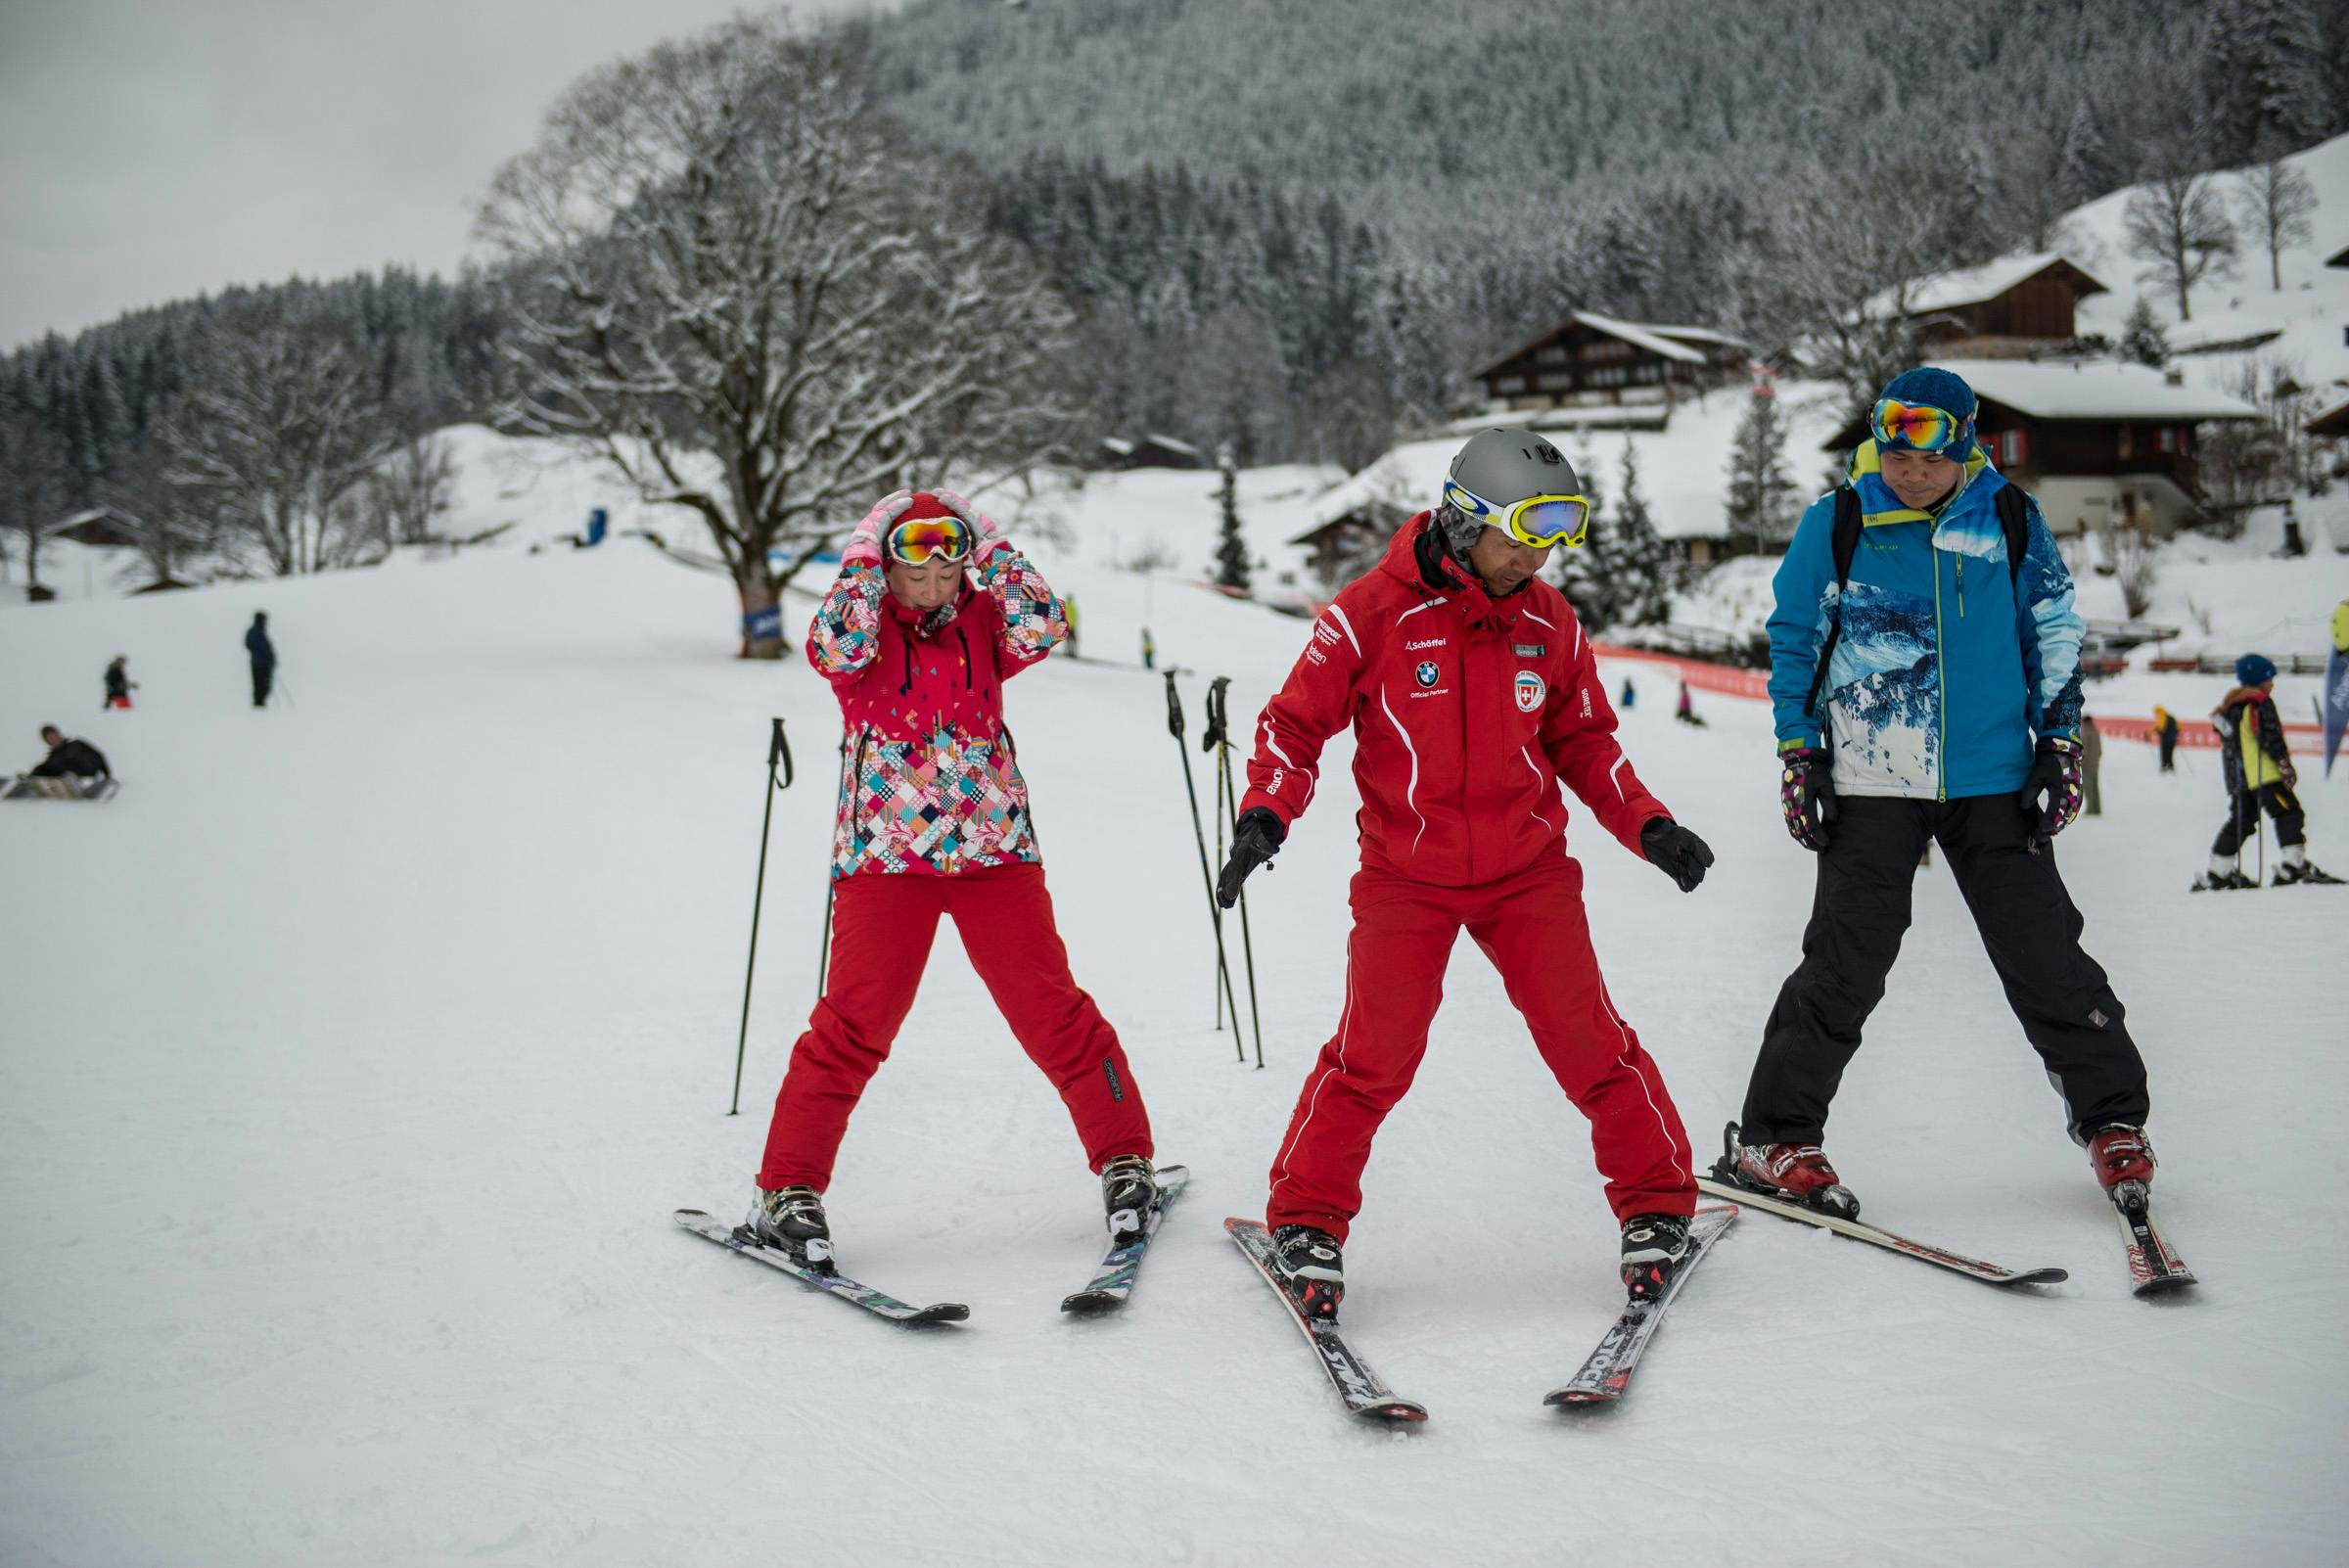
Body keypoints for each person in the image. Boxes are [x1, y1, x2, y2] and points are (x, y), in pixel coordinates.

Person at [1215, 426, 1717, 1314]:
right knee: (1373, 1058)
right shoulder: (1369, 613)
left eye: (1553, 537)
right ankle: (1307, 1220)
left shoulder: (1548, 623)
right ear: (1462, 519)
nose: (1536, 557)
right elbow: (1293, 727)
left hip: (1528, 873)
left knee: (1589, 1044)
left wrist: (1650, 825)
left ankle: (1656, 1203)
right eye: (1520, 535)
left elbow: (1585, 742)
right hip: (1407, 876)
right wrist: (1266, 811)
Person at [1724, 367, 2159, 1220]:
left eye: (1927, 456)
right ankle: (1776, 1136)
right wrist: (1800, 755)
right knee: (1844, 964)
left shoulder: (2009, 519)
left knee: (2047, 957)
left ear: (1964, 445)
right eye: (1894, 451)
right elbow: (1795, 639)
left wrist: (2060, 746)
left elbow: (2054, 635)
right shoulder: (1841, 520)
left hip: (1993, 777)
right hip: (1872, 779)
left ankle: (2113, 1121)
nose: (1909, 470)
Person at [745, 491, 1161, 1268]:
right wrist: (863, 564)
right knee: (854, 1027)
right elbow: (829, 647)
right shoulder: (864, 640)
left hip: (994, 853)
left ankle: (1126, 1162)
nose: (933, 586)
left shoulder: (986, 626)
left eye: (949, 567)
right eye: (913, 570)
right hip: (885, 860)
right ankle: (787, 1191)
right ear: (886, 570)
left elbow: (1045, 624)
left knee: (1052, 1013)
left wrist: (995, 545)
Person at [2194, 653, 2338, 889]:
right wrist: (2284, 764)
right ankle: (2293, 866)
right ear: (2258, 679)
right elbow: (2270, 737)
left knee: (2242, 821)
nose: (2273, 683)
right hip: (2265, 775)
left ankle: (2218, 870)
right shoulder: (2259, 703)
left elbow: (2232, 748)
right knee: (2289, 813)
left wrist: (2236, 784)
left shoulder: (2232, 707)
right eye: (2270, 677)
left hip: (2243, 780)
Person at [28, 725, 110, 779]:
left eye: (54, 736)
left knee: (74, 760)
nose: (53, 740)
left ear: (59, 735)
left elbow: (98, 756)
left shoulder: (76, 745)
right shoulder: (53, 757)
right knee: (40, 768)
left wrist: (107, 775)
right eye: (50, 739)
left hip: (85, 774)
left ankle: (73, 780)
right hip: (65, 778)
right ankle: (28, 783)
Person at [246, 613, 276, 708]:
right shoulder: (256, 632)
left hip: (262, 663)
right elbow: (251, 644)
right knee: (261, 684)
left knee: (263, 684)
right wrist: (266, 654)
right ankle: (259, 703)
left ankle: (260, 703)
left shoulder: (259, 632)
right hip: (259, 664)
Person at [2081, 714, 2102, 816]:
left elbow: (2084, 750)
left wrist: (2081, 761)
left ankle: (2090, 808)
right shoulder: (2095, 732)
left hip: (2087, 764)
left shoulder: (2085, 732)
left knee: (2088, 787)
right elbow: (2100, 750)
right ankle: (2097, 808)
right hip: (2095, 764)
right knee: (2095, 787)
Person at [2147, 706, 2180, 773]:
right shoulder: (2171, 717)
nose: (2155, 715)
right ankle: (2171, 766)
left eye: (2156, 713)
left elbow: (2160, 728)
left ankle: (2164, 766)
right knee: (2170, 753)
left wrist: (2151, 732)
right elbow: (2178, 728)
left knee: (2164, 753)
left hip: (2165, 740)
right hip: (2173, 740)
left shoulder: (2162, 717)